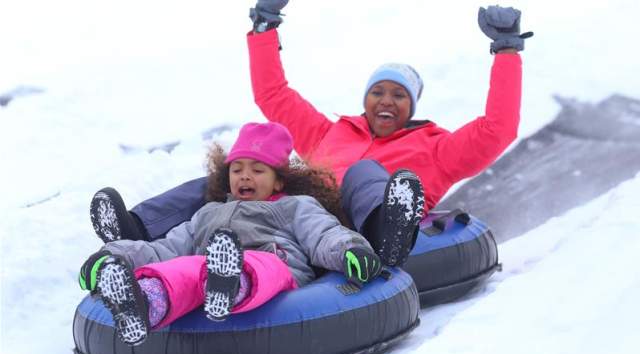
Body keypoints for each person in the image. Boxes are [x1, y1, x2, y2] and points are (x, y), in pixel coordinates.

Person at [89, 3, 531, 268]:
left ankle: (387, 227)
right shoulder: (330, 132)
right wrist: (265, 28)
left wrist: (507, 50)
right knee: (235, 173)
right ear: (365, 97)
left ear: (412, 106)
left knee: (363, 171)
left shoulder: (438, 148)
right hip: (296, 216)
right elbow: (273, 95)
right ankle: (136, 227)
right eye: (378, 90)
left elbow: (498, 128)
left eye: (399, 95)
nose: (386, 100)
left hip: (358, 226)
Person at [78, 122, 394, 346]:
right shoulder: (206, 213)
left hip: (275, 268)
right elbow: (165, 249)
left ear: (279, 181)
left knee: (258, 265)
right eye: (237, 168)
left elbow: (324, 235)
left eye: (257, 170)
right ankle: (143, 304)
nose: (245, 176)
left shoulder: (295, 207)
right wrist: (116, 255)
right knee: (183, 269)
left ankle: (231, 283)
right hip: (208, 267)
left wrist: (349, 249)